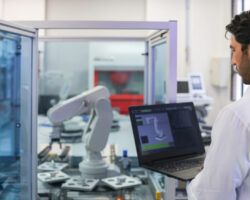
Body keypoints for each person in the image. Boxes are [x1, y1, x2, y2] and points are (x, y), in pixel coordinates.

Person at [187, 10, 250, 200]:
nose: (232, 60)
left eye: (234, 50)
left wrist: (201, 178)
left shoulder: (237, 117)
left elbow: (213, 195)